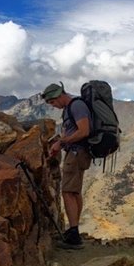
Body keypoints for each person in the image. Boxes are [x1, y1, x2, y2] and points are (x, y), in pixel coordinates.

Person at [42, 82, 91, 249]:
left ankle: (74, 235)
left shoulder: (76, 106)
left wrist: (61, 142)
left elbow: (84, 131)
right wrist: (60, 144)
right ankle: (74, 229)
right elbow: (70, 132)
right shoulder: (69, 109)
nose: (53, 106)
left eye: (53, 102)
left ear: (59, 96)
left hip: (77, 154)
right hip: (77, 153)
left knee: (67, 192)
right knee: (74, 191)